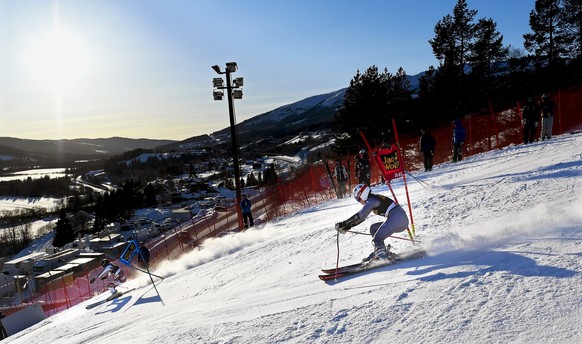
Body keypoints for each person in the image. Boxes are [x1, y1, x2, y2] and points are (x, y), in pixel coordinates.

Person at [334, 184, 409, 262]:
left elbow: (361, 215)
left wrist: (344, 224)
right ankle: (381, 250)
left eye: (358, 199)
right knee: (373, 228)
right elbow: (361, 217)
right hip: (399, 219)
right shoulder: (372, 199)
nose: (359, 201)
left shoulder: (372, 201)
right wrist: (347, 226)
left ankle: (381, 255)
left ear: (362, 195)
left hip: (398, 219)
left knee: (377, 239)